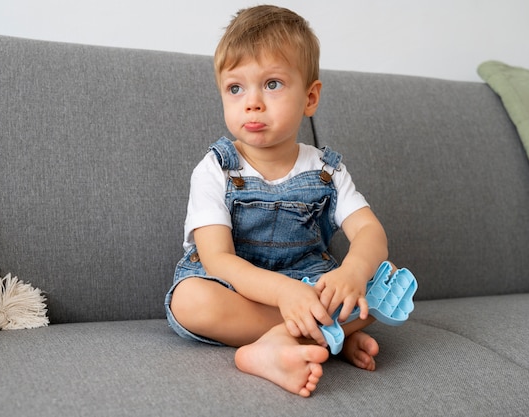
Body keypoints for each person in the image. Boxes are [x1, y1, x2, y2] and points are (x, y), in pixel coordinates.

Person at [165, 5, 389, 397]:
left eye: (272, 84)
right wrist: (286, 296)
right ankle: (321, 333)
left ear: (310, 97)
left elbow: (369, 230)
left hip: (308, 284)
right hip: (237, 291)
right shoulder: (215, 169)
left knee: (376, 291)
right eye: (236, 88)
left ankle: (288, 342)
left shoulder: (326, 170)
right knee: (190, 301)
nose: (251, 102)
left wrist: (352, 272)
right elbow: (218, 259)